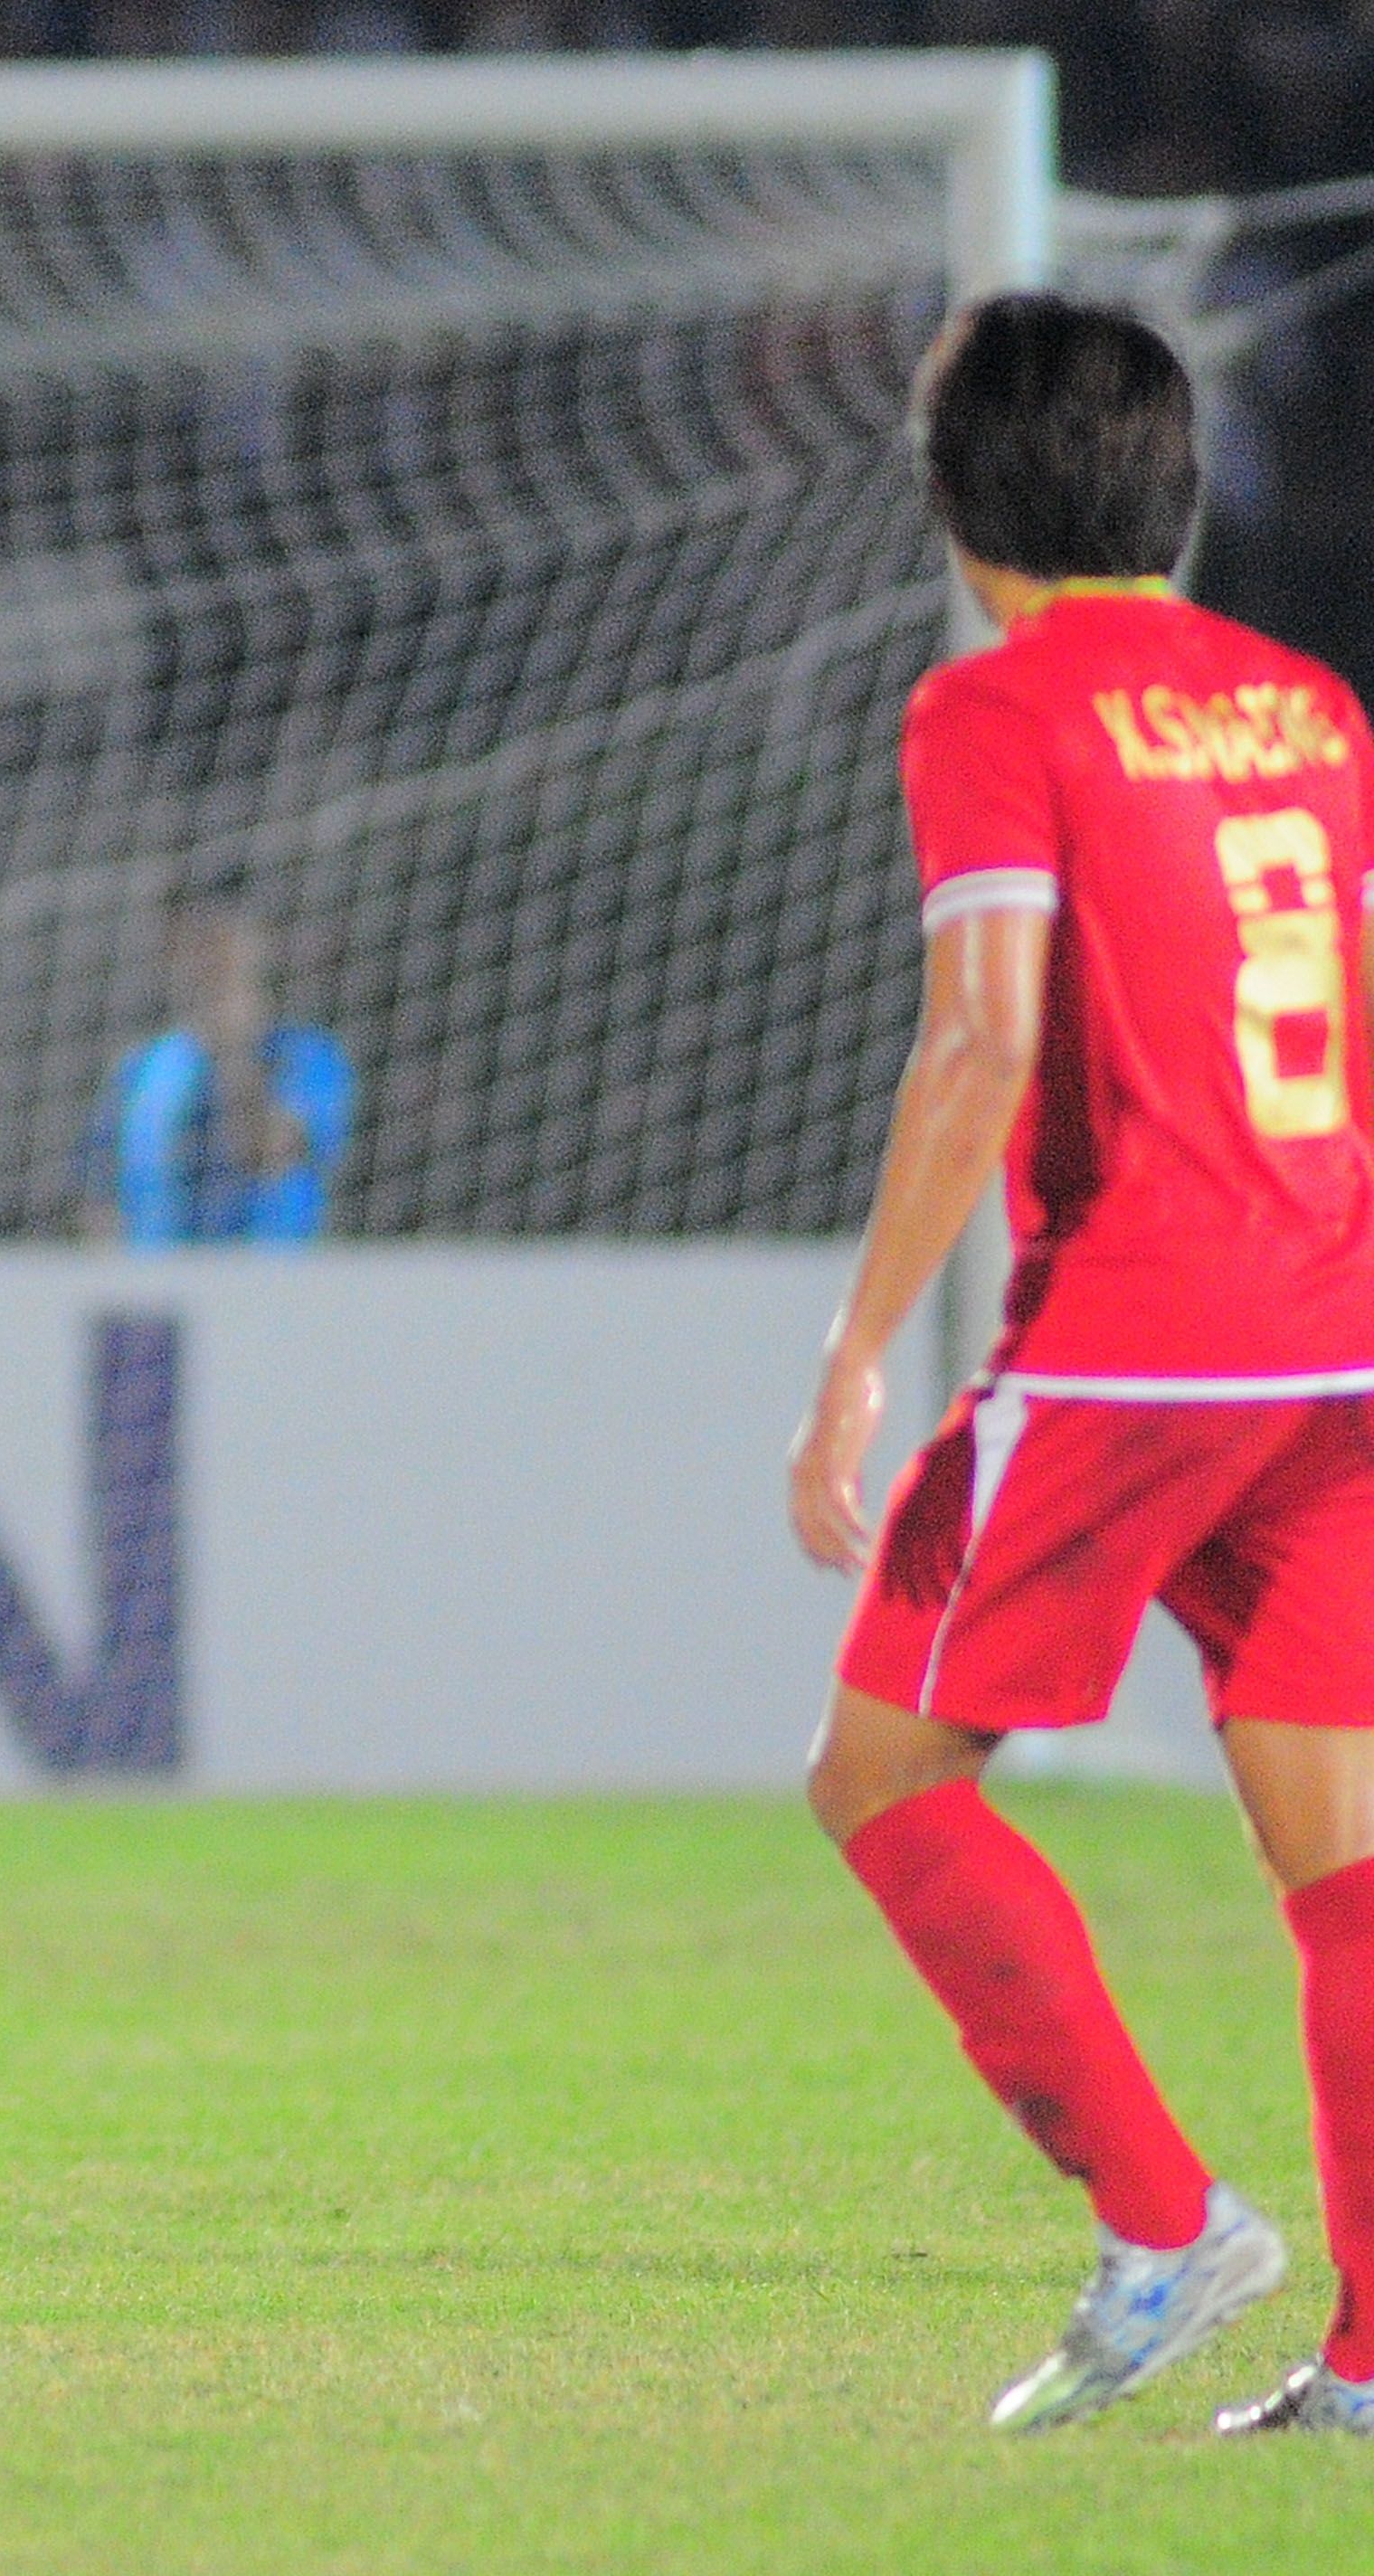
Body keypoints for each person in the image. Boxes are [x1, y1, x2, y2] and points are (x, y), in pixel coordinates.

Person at [786, 290, 1374, 2439]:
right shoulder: (1307, 708)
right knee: (1337, 1854)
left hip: (1137, 1339)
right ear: (1172, 488)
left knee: (878, 1772)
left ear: (954, 501)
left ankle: (1158, 2216)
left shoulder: (992, 708)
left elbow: (979, 1036)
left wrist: (854, 1351)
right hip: (1333, 1338)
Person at [90, 886, 352, 1244]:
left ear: (256, 946)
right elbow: (101, 1199)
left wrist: (231, 1046)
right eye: (193, 943)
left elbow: (270, 1152)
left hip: (270, 1272)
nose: (206, 958)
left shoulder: (307, 1057)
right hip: (159, 1272)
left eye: (219, 939)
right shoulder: (141, 1069)